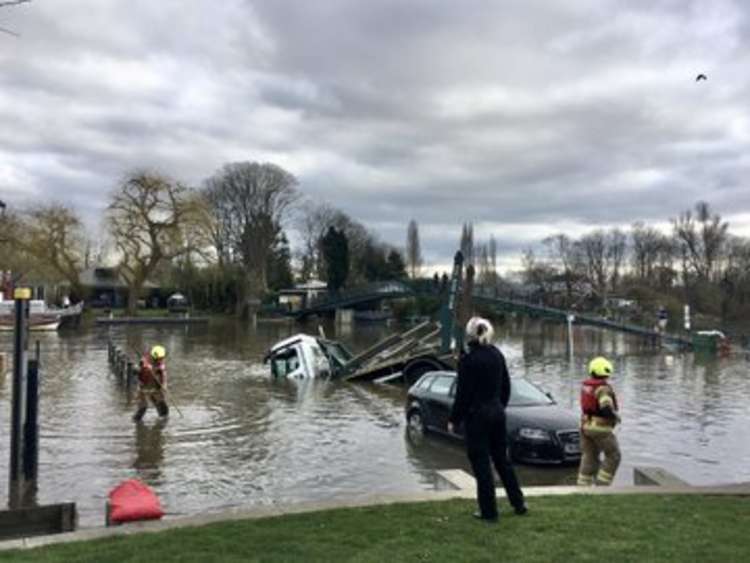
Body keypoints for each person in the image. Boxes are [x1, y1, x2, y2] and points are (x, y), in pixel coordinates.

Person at [448, 317, 527, 522]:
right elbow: (506, 387)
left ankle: (488, 511)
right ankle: (518, 503)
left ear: (469, 335)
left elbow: (462, 395)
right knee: (502, 460)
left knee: (481, 463)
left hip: (477, 416)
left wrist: (454, 419)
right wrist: (499, 406)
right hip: (497, 413)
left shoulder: (468, 360)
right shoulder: (497, 355)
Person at [577, 356, 621, 486]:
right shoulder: (603, 389)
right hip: (600, 428)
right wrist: (615, 417)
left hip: (585, 426)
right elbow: (605, 407)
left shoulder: (586, 386)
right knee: (613, 456)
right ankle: (602, 486)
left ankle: (583, 486)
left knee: (589, 456)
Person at [133, 345, 169, 422]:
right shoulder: (144, 362)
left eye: (162, 358)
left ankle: (162, 423)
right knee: (143, 408)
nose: (161, 360)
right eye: (160, 358)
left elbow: (164, 375)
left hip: (156, 388)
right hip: (144, 388)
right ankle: (136, 423)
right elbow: (135, 371)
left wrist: (164, 386)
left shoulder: (161, 363)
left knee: (163, 408)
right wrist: (143, 368)